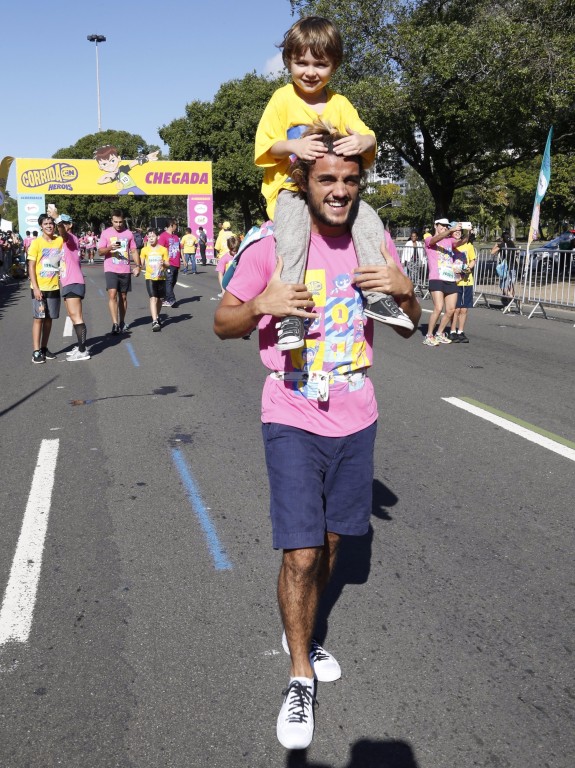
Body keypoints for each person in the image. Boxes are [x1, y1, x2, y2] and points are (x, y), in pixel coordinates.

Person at [213, 125, 421, 750]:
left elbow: (407, 328)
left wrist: (408, 293)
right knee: (301, 552)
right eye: (327, 179)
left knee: (332, 543)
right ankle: (300, 671)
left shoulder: (374, 240)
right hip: (292, 409)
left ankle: (299, 626)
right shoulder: (270, 246)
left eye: (350, 180)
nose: (339, 190)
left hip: (358, 413)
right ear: (303, 181)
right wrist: (260, 305)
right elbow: (223, 323)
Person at [254, 16, 413, 352]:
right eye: (301, 63)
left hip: (333, 193)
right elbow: (266, 146)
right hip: (290, 192)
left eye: (320, 64)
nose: (310, 72)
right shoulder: (282, 99)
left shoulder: (340, 103)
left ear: (334, 65)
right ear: (288, 62)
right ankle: (292, 315)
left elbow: (367, 136)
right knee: (294, 240)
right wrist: (294, 146)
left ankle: (376, 297)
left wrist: (364, 142)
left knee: (369, 220)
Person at [422, 218, 466, 346]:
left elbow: (461, 243)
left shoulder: (449, 240)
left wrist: (467, 233)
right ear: (436, 225)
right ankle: (429, 335)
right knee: (438, 307)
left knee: (451, 309)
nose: (445, 228)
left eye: (446, 226)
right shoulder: (429, 238)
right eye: (442, 225)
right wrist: (450, 230)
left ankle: (439, 333)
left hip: (450, 278)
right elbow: (435, 240)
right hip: (436, 277)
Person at [98, 209, 141, 334]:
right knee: (112, 294)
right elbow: (100, 251)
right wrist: (110, 248)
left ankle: (122, 321)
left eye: (120, 222)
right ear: (111, 220)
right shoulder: (106, 233)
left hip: (125, 269)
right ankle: (115, 323)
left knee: (123, 296)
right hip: (111, 268)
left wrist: (138, 266)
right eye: (115, 222)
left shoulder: (128, 234)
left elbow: (133, 251)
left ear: (123, 221)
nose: (118, 224)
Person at [27, 213, 63, 364]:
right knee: (39, 319)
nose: (49, 226)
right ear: (41, 226)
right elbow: (31, 265)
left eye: (51, 223)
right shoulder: (36, 243)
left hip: (54, 286)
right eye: (46, 223)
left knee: (49, 320)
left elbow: (66, 236)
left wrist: (58, 217)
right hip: (39, 287)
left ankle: (44, 348)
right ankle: (35, 352)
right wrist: (35, 287)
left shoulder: (59, 240)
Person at [55, 214, 90, 361]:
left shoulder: (70, 238)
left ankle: (82, 351)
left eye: (64, 223)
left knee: (77, 318)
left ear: (69, 225)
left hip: (74, 282)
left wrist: (57, 218)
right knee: (72, 315)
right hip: (68, 282)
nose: (60, 226)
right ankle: (80, 346)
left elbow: (62, 232)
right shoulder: (63, 241)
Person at [450, 224, 476, 343]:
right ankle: (452, 331)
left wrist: (466, 270)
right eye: (456, 231)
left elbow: (472, 260)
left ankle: (460, 331)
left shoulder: (468, 245)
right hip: (454, 281)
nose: (458, 232)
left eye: (460, 231)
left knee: (464, 309)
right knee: (455, 309)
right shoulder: (450, 246)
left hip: (466, 281)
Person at [140, 229, 170, 331]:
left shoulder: (163, 250)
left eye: (153, 236)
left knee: (160, 299)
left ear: (158, 237)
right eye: (149, 236)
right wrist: (138, 268)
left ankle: (156, 315)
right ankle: (154, 321)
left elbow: (168, 263)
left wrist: (163, 263)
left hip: (161, 276)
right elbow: (141, 264)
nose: (151, 238)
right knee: (153, 298)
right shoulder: (144, 250)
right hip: (150, 277)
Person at [158, 219, 181, 307]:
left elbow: (179, 249)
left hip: (176, 263)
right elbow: (159, 250)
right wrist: (161, 262)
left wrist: (183, 261)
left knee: (173, 281)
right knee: (169, 281)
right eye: (176, 225)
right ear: (171, 225)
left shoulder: (175, 237)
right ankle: (172, 300)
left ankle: (166, 298)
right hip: (168, 263)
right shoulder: (163, 236)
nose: (177, 226)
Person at [491, 231, 517, 304]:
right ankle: (509, 304)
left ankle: (513, 299)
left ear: (502, 238)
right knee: (511, 285)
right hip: (514, 266)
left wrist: (495, 245)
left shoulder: (502, 244)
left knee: (503, 286)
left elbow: (492, 252)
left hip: (506, 267)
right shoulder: (512, 243)